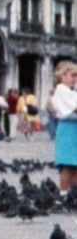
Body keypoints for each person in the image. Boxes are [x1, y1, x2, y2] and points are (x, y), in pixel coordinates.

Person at [50, 61, 77, 192]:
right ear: (63, 76)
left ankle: (72, 194)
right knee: (68, 164)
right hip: (68, 128)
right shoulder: (61, 90)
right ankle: (65, 193)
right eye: (73, 76)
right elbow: (73, 109)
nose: (75, 79)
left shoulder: (69, 91)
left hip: (73, 128)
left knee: (75, 164)